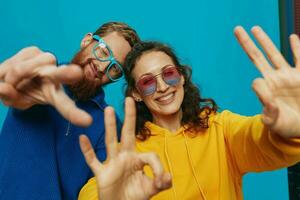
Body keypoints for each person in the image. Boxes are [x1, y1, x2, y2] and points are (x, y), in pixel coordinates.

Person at [78, 26, 300, 200]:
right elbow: (96, 189)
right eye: (147, 82)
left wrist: (290, 130)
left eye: (169, 74)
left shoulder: (220, 130)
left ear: (182, 77)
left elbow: (259, 140)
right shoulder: (130, 152)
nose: (163, 87)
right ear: (136, 93)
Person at [0, 22, 140, 200]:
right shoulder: (41, 78)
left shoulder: (109, 126)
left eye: (115, 68)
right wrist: (20, 78)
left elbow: (98, 190)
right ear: (87, 40)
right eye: (104, 52)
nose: (102, 67)